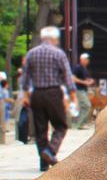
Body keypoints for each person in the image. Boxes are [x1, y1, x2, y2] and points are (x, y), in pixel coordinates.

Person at [21, 27, 77, 172]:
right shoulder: (58, 54)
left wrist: (26, 96)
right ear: (54, 39)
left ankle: (43, 163)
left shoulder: (31, 54)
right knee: (60, 126)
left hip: (37, 94)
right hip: (53, 93)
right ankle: (50, 151)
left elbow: (25, 79)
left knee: (41, 129)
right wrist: (73, 96)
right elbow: (67, 76)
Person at [72, 53, 94, 130]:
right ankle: (80, 124)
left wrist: (89, 80)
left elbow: (85, 79)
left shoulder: (84, 69)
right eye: (86, 59)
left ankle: (80, 124)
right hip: (79, 89)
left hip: (84, 90)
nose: (88, 61)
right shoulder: (78, 67)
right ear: (82, 60)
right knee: (87, 105)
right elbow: (73, 78)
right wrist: (84, 82)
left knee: (83, 106)